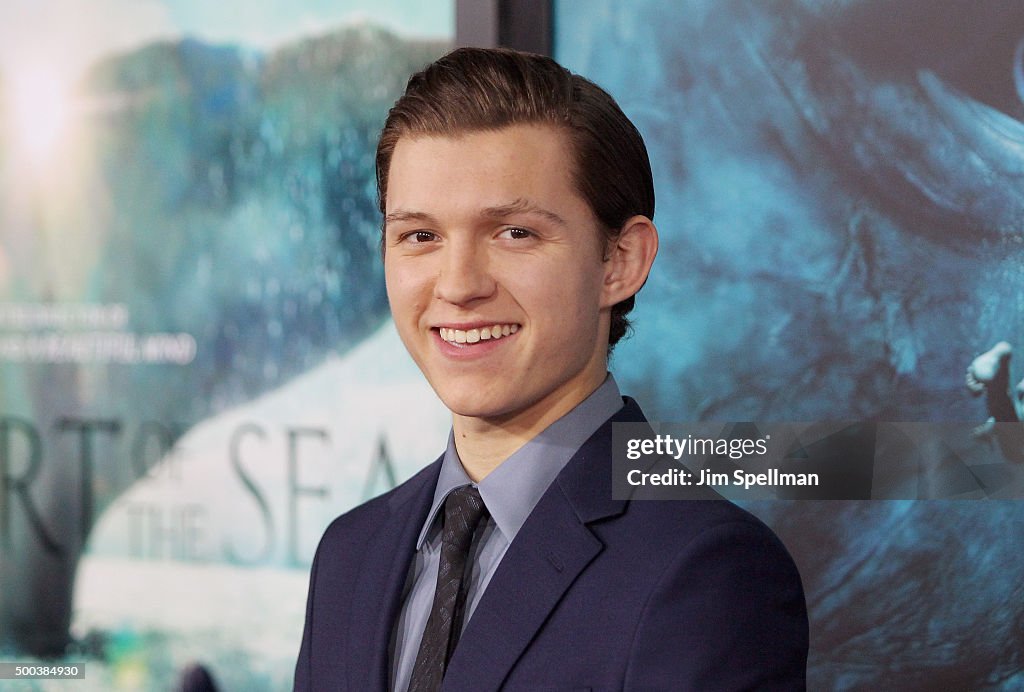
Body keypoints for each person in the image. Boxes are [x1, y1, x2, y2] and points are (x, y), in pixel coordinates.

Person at [295, 47, 808, 691]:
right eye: (420, 236)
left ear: (620, 261)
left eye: (514, 233)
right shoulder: (351, 554)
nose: (458, 285)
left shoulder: (707, 571)